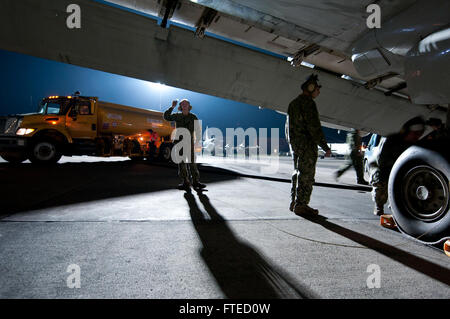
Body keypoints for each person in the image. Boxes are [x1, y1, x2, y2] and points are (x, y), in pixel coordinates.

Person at [286, 74, 332, 216]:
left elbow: (287, 127)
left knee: (297, 173)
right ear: (311, 88)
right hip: (307, 146)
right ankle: (302, 205)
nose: (318, 92)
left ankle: (294, 201)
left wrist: (292, 143)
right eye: (317, 89)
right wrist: (325, 147)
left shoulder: (293, 103)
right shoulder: (308, 103)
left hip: (296, 145)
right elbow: (314, 128)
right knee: (307, 175)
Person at [370, 116, 425, 216]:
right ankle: (379, 205)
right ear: (407, 131)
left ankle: (396, 206)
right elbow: (381, 160)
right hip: (384, 169)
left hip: (401, 170)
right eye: (415, 134)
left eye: (419, 134)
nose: (417, 136)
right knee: (380, 185)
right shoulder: (391, 140)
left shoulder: (414, 144)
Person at [164, 99, 206, 190]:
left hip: (189, 142)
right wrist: (172, 107)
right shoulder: (177, 116)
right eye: (182, 104)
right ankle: (185, 182)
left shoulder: (193, 116)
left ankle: (195, 182)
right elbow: (166, 117)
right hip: (179, 142)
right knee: (181, 163)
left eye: (186, 104)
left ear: (189, 106)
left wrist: (197, 141)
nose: (184, 105)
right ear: (180, 106)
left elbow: (198, 129)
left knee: (192, 163)